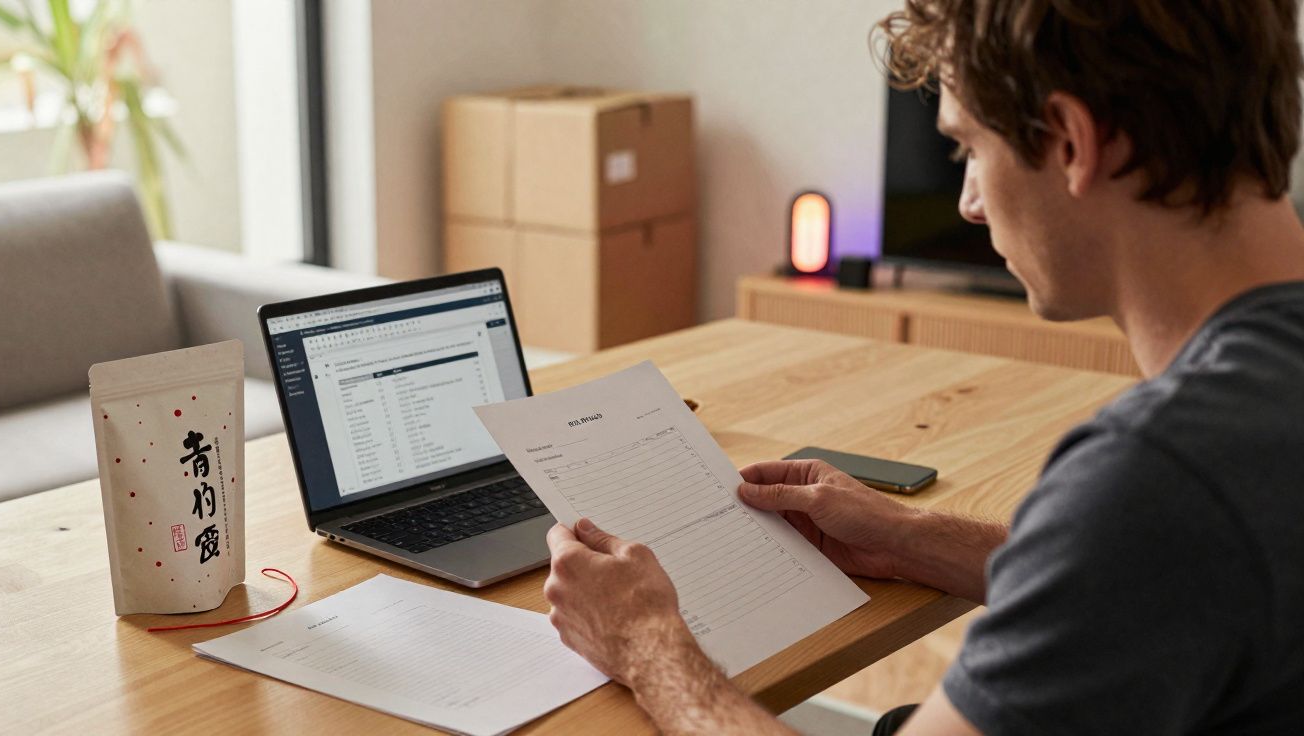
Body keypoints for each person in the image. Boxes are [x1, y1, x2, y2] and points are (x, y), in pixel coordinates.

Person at [541, 0, 1304, 733]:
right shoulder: (1235, 437)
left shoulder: (1160, 474)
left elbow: (1145, 535)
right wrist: (913, 537)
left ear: (1073, 142)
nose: (970, 201)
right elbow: (1157, 580)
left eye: (969, 146)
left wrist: (647, 645)